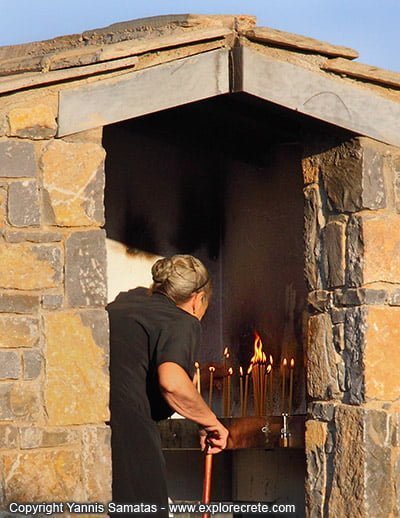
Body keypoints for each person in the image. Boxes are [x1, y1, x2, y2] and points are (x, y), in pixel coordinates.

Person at [107, 254, 229, 517]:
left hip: (91, 428)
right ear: (198, 299)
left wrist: (198, 384)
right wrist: (211, 422)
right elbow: (172, 382)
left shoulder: (119, 308)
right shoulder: (181, 320)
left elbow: (136, 366)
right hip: (130, 436)